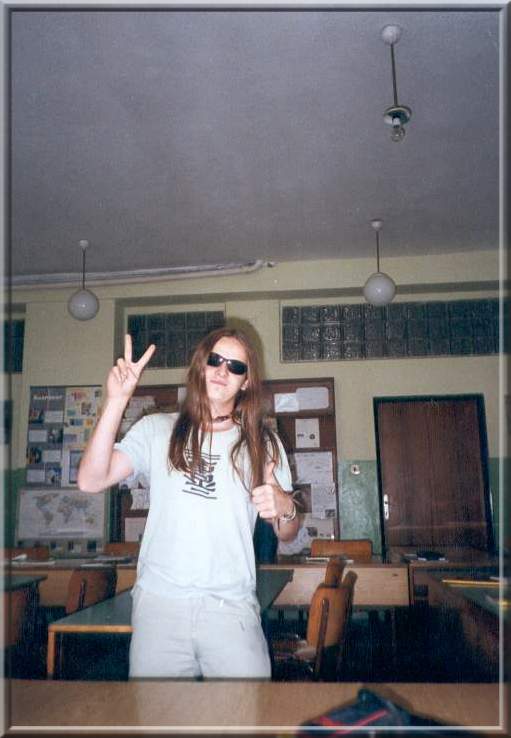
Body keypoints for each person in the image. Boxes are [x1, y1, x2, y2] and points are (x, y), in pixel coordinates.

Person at [77, 327, 299, 679]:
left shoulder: (262, 442)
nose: (222, 371)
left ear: (246, 381)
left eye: (235, 366)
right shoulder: (155, 429)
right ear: (201, 366)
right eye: (215, 360)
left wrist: (285, 506)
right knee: (158, 711)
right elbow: (90, 480)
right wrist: (116, 400)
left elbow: (288, 532)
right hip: (159, 608)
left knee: (245, 710)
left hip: (232, 609)